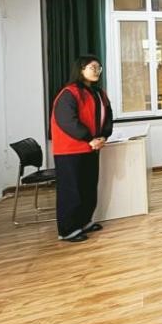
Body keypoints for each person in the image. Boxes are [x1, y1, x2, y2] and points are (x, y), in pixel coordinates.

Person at [50, 55, 114, 243]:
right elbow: (67, 121)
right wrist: (89, 138)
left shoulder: (99, 93)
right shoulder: (69, 93)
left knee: (88, 188)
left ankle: (84, 221)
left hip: (91, 148)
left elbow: (107, 116)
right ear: (81, 69)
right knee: (72, 191)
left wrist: (104, 136)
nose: (97, 71)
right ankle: (67, 230)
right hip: (70, 150)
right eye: (92, 67)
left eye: (98, 68)